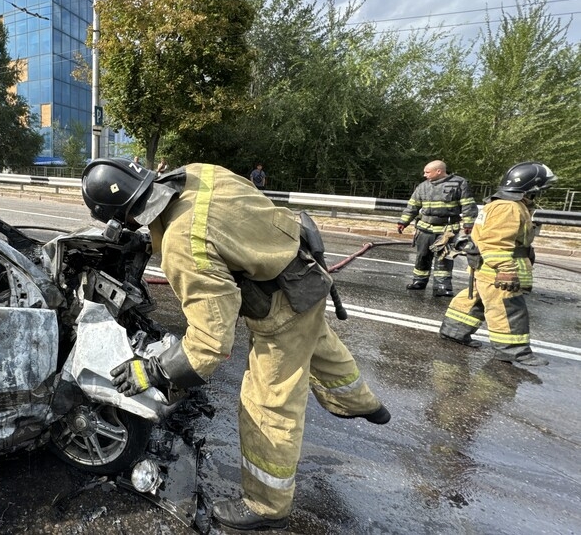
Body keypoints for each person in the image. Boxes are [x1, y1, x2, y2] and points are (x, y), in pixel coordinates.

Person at [81, 158, 389, 532]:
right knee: (320, 345)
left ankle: (267, 505)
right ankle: (361, 403)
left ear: (123, 215)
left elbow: (209, 344)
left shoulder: (183, 244)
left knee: (268, 404)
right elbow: (231, 220)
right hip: (304, 272)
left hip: (281, 306)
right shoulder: (197, 172)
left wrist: (153, 370)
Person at [439, 162, 557, 367]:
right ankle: (513, 351)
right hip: (497, 270)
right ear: (530, 187)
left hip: (485, 267)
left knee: (474, 300)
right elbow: (495, 242)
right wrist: (506, 270)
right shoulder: (508, 207)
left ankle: (454, 332)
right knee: (507, 309)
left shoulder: (501, 204)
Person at [396, 160, 477, 296]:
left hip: (446, 230)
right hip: (424, 228)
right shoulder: (422, 186)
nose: (424, 175)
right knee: (422, 256)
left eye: (427, 172)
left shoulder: (459, 183)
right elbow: (412, 206)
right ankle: (419, 281)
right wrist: (403, 222)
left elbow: (468, 205)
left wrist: (469, 224)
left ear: (438, 171)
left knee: (444, 258)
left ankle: (442, 286)